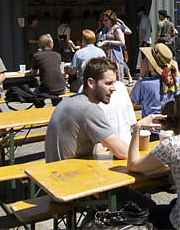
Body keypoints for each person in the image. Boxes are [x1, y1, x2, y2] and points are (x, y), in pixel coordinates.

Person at [45, 57, 129, 163]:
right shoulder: (89, 109)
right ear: (91, 83)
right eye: (108, 83)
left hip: (53, 171)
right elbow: (123, 153)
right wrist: (139, 128)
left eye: (114, 83)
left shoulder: (69, 100)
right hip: (69, 176)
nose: (114, 88)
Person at [126, 101, 178, 229]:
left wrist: (137, 127)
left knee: (148, 211)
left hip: (176, 223)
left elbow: (133, 164)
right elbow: (172, 180)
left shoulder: (172, 145)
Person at [131, 43, 180, 141]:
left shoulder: (144, 84)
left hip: (151, 131)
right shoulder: (177, 81)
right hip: (171, 129)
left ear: (151, 63)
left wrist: (141, 76)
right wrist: (176, 70)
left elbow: (130, 102)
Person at [28, 34, 66, 105]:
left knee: (36, 93)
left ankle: (40, 107)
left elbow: (32, 73)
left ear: (39, 45)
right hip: (62, 87)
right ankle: (56, 109)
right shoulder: (58, 55)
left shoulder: (36, 56)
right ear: (51, 44)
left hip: (47, 88)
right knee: (55, 93)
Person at [97, 10, 125, 81]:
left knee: (116, 73)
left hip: (114, 54)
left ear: (111, 20)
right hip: (106, 53)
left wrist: (109, 42)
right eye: (103, 20)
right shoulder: (105, 29)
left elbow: (122, 42)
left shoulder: (116, 28)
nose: (104, 22)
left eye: (106, 20)